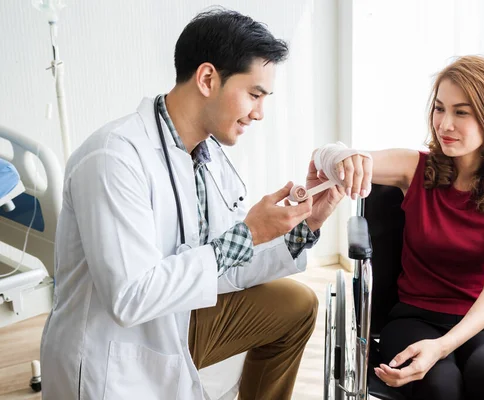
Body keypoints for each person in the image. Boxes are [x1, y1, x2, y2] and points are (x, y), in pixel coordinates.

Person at [40, 8, 349, 400]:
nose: (259, 113)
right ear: (207, 79)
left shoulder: (208, 157)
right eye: (254, 95)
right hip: (113, 350)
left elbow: (223, 267)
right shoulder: (112, 158)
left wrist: (304, 225)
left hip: (177, 317)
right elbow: (130, 298)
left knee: (296, 305)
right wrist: (249, 232)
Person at [329, 55, 484, 399]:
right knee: (438, 386)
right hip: (415, 317)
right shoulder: (414, 167)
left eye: (461, 112)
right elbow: (342, 159)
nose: (444, 124)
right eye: (439, 109)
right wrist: (335, 156)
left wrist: (442, 346)